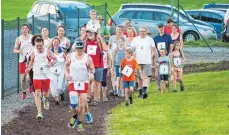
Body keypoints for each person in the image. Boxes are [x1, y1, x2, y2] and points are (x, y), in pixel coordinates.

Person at [25, 35, 57, 119]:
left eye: (40, 45)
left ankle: (45, 98)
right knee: (37, 92)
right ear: (35, 45)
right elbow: (31, 62)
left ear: (43, 44)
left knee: (45, 93)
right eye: (37, 45)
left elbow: (55, 58)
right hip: (37, 76)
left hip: (46, 76)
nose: (39, 47)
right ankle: (39, 112)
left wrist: (51, 63)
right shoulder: (33, 51)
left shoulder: (47, 51)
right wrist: (28, 68)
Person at [65, 39, 94, 131]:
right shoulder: (70, 56)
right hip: (73, 82)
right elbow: (65, 66)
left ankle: (80, 123)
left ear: (83, 48)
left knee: (81, 105)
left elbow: (92, 68)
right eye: (78, 49)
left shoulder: (87, 57)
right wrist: (67, 74)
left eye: (81, 49)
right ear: (75, 48)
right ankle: (74, 116)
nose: (79, 51)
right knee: (74, 104)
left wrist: (91, 73)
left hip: (83, 82)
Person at [131, 26, 157, 99]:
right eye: (140, 31)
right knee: (139, 78)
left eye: (143, 31)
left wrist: (154, 58)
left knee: (145, 76)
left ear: (146, 32)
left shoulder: (150, 39)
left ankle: (144, 90)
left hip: (147, 61)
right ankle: (140, 91)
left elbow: (154, 49)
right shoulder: (135, 39)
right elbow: (132, 49)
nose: (142, 33)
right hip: (138, 61)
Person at [84, 28, 107, 106]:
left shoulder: (99, 42)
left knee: (97, 82)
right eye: (88, 33)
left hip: (98, 65)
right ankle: (88, 96)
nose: (89, 34)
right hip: (88, 66)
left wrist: (101, 39)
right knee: (87, 81)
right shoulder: (86, 42)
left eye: (91, 33)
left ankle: (96, 98)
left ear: (95, 34)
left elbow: (106, 49)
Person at [13, 24, 33, 99]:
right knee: (23, 78)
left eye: (25, 28)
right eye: (22, 29)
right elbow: (14, 50)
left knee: (29, 77)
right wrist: (19, 51)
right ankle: (24, 92)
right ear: (21, 30)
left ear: (28, 29)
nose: (24, 30)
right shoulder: (18, 39)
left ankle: (31, 84)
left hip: (31, 60)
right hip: (22, 60)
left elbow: (36, 45)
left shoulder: (32, 37)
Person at [154, 23, 174, 91]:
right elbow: (154, 49)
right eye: (159, 28)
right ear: (158, 28)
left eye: (162, 27)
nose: (161, 29)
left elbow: (171, 45)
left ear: (164, 28)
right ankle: (159, 86)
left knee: (166, 72)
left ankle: (167, 86)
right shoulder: (156, 38)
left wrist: (170, 53)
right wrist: (155, 57)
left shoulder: (168, 36)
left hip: (166, 57)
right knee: (158, 73)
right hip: (159, 58)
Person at [108, 25, 127, 94]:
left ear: (122, 31)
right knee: (113, 74)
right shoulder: (112, 38)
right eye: (117, 29)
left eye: (120, 30)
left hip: (121, 59)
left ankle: (121, 89)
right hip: (113, 58)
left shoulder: (124, 38)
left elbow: (125, 47)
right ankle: (114, 89)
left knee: (121, 75)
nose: (119, 31)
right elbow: (109, 48)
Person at [49, 37, 66, 105]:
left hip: (61, 70)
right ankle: (56, 98)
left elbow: (67, 59)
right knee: (53, 84)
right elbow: (46, 60)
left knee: (59, 87)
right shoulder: (49, 51)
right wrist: (50, 63)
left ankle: (61, 93)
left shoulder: (62, 51)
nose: (56, 43)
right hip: (52, 71)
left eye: (57, 42)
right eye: (54, 42)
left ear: (59, 43)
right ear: (52, 43)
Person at [57, 25, 70, 100]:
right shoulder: (54, 39)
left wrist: (66, 51)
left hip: (64, 61)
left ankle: (62, 91)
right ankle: (58, 91)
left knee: (64, 78)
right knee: (57, 76)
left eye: (62, 31)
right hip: (56, 61)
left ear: (64, 32)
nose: (61, 32)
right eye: (60, 30)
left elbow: (68, 51)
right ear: (57, 31)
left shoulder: (66, 40)